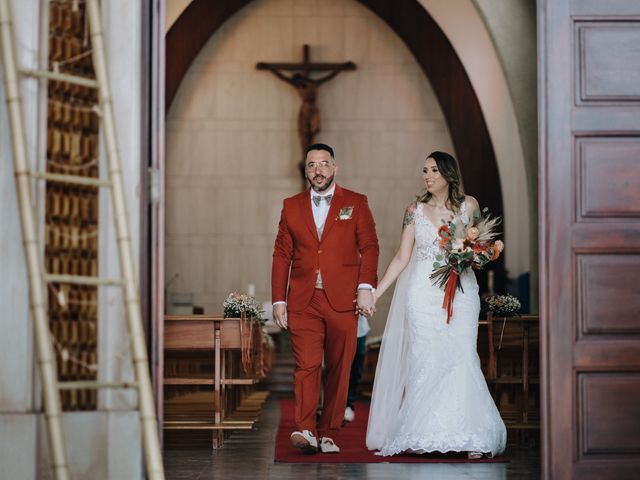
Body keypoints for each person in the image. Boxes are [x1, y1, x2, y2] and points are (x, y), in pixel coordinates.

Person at [366, 151, 506, 458]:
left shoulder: (469, 205)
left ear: (448, 174)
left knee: (462, 356)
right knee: (426, 358)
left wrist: (475, 256)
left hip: (462, 292)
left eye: (433, 170)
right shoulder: (413, 210)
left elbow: (480, 247)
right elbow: (403, 257)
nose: (427, 176)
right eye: (424, 170)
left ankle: (472, 436)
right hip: (423, 295)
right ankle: (422, 432)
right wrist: (376, 293)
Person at [272, 143, 379, 454]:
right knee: (306, 365)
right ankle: (305, 429)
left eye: (323, 163)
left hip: (344, 299)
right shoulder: (291, 206)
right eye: (311, 165)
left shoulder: (356, 203)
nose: (317, 170)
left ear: (335, 168)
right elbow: (281, 254)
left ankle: (329, 431)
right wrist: (279, 299)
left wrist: (365, 286)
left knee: (339, 366)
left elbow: (370, 246)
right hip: (303, 300)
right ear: (306, 171)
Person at [344, 314, 370, 424]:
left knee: (357, 369)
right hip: (342, 327)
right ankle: (337, 405)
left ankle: (349, 404)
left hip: (360, 329)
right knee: (342, 368)